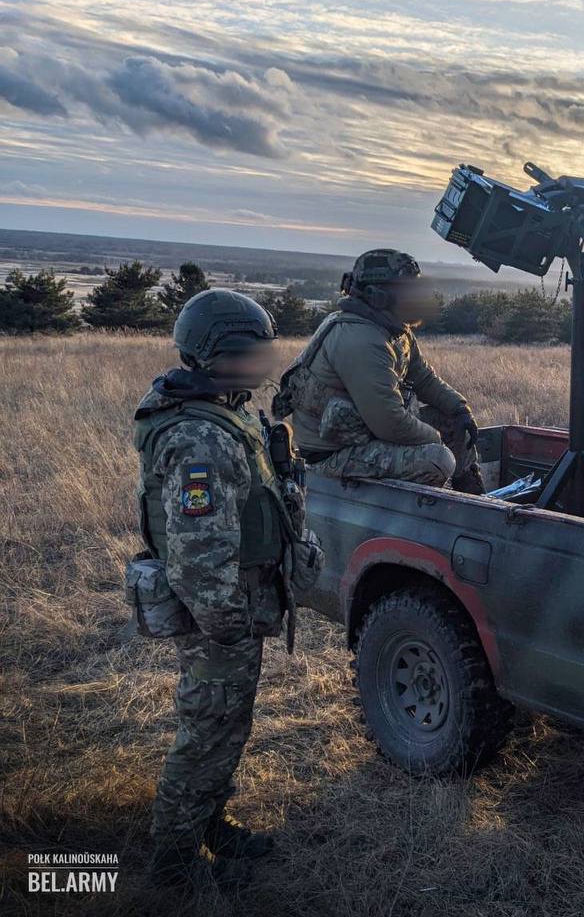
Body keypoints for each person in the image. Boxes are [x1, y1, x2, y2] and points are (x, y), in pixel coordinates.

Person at [131, 289, 318, 888]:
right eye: (246, 354)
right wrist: (227, 623)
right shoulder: (199, 438)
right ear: (211, 356)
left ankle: (209, 823)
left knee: (228, 723)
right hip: (219, 612)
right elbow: (198, 553)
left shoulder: (226, 410)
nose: (258, 366)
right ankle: (173, 861)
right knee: (209, 726)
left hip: (237, 603)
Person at [274, 249, 484, 492]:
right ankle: (427, 516)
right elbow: (389, 423)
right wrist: (437, 440)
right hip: (333, 454)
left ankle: (473, 497)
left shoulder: (394, 329)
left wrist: (459, 408)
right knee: (437, 460)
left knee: (457, 423)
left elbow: (423, 378)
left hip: (365, 434)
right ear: (378, 295)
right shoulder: (361, 339)